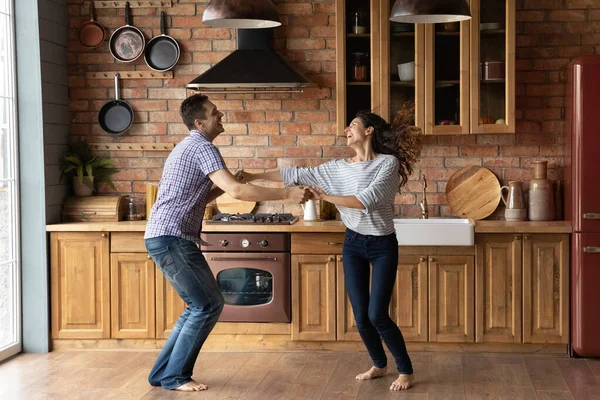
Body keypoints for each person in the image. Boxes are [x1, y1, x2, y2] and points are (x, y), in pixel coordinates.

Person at [144, 93, 311, 392]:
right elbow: (237, 193)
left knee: (197, 305)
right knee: (207, 304)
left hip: (164, 235)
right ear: (199, 122)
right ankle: (175, 376)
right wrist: (287, 194)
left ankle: (162, 374)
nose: (221, 116)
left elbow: (204, 195)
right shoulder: (203, 146)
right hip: (172, 237)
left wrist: (234, 183)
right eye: (215, 113)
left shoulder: (189, 146)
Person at [245, 110, 421, 391]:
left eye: (352, 125)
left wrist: (323, 195)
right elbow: (295, 174)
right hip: (353, 243)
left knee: (377, 314)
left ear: (369, 131)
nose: (346, 129)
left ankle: (406, 370)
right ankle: (379, 363)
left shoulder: (387, 163)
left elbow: (367, 202)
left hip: (382, 245)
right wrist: (252, 175)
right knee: (361, 315)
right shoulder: (338, 168)